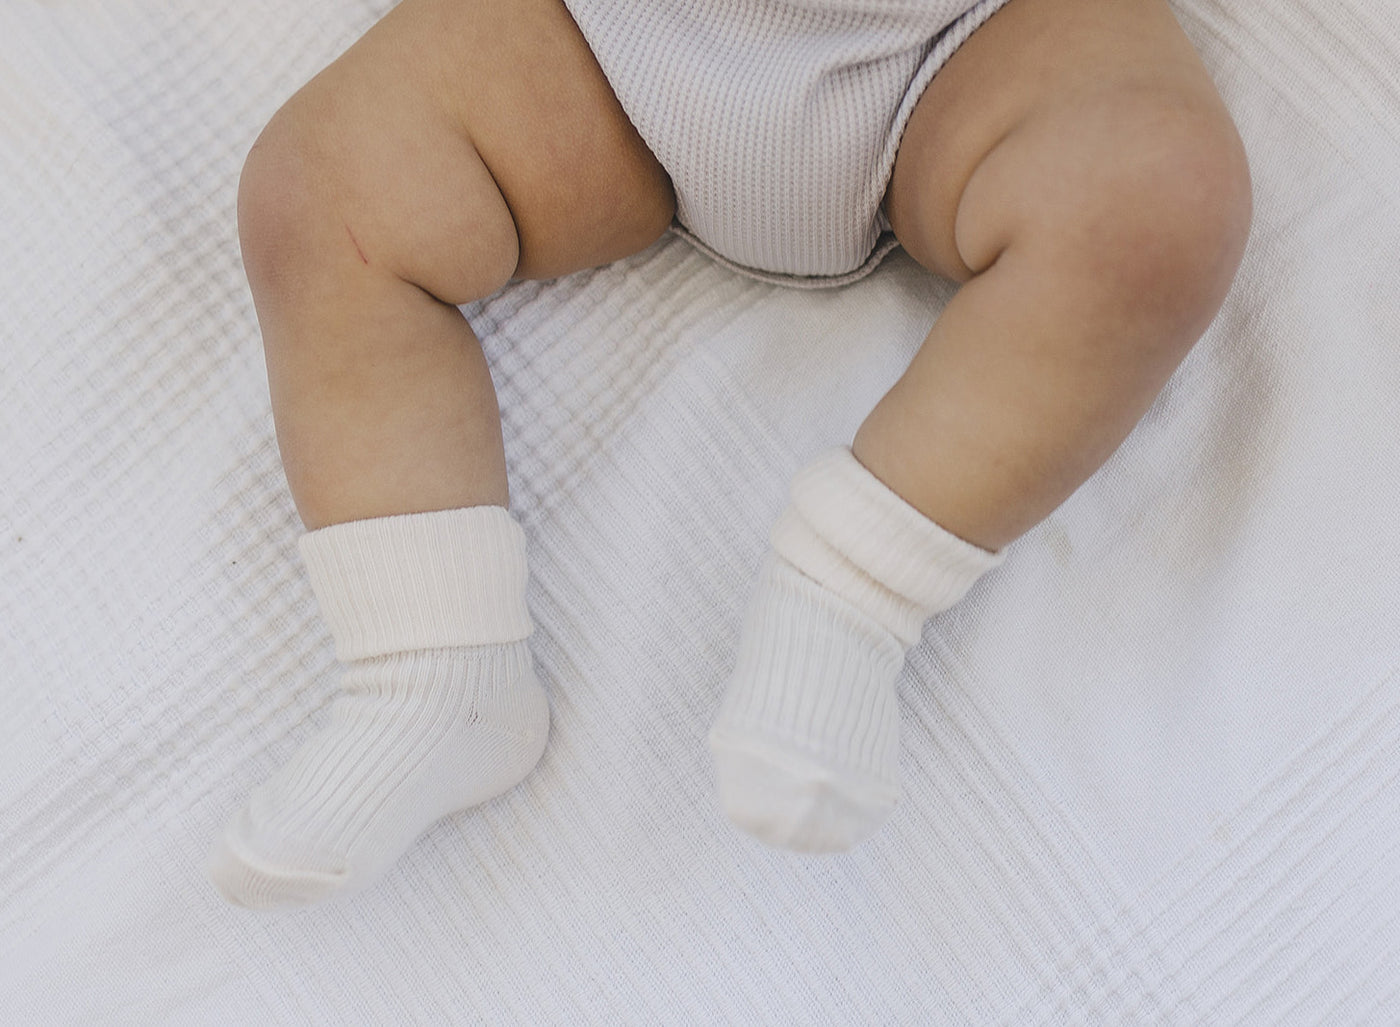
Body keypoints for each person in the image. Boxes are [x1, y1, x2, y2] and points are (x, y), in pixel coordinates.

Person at [209, 0, 1252, 908]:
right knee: (325, 190)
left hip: (967, 42)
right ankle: (429, 663)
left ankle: (846, 597)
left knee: (1153, 201)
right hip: (605, 37)